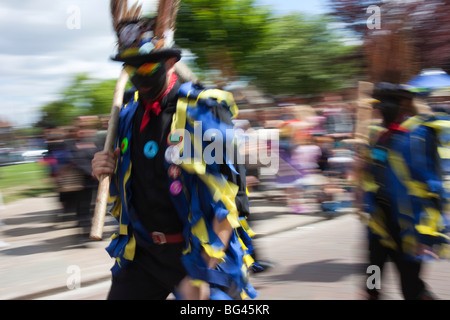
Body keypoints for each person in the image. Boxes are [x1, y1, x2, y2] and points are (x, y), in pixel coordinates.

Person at [91, 11, 256, 300]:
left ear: (171, 61)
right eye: (133, 68)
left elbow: (231, 199)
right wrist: (106, 167)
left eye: (147, 67)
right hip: (143, 255)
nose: (140, 75)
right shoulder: (127, 116)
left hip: (197, 254)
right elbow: (134, 180)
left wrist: (204, 270)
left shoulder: (205, 111)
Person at [360, 83, 449, 300]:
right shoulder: (380, 135)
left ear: (403, 105)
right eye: (378, 104)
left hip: (409, 227)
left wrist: (427, 236)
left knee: (411, 287)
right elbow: (373, 173)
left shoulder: (419, 135)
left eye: (384, 103)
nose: (379, 109)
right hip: (379, 223)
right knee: (373, 279)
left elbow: (433, 186)